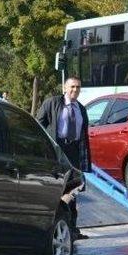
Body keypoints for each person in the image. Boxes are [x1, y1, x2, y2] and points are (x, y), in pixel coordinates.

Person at [37, 77, 91, 241]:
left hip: (74, 152)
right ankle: (51, 229)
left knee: (73, 191)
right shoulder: (52, 103)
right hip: (57, 152)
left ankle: (72, 230)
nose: (75, 90)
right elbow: (38, 124)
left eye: (78, 87)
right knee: (56, 190)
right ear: (64, 88)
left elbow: (83, 135)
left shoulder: (81, 109)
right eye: (72, 87)